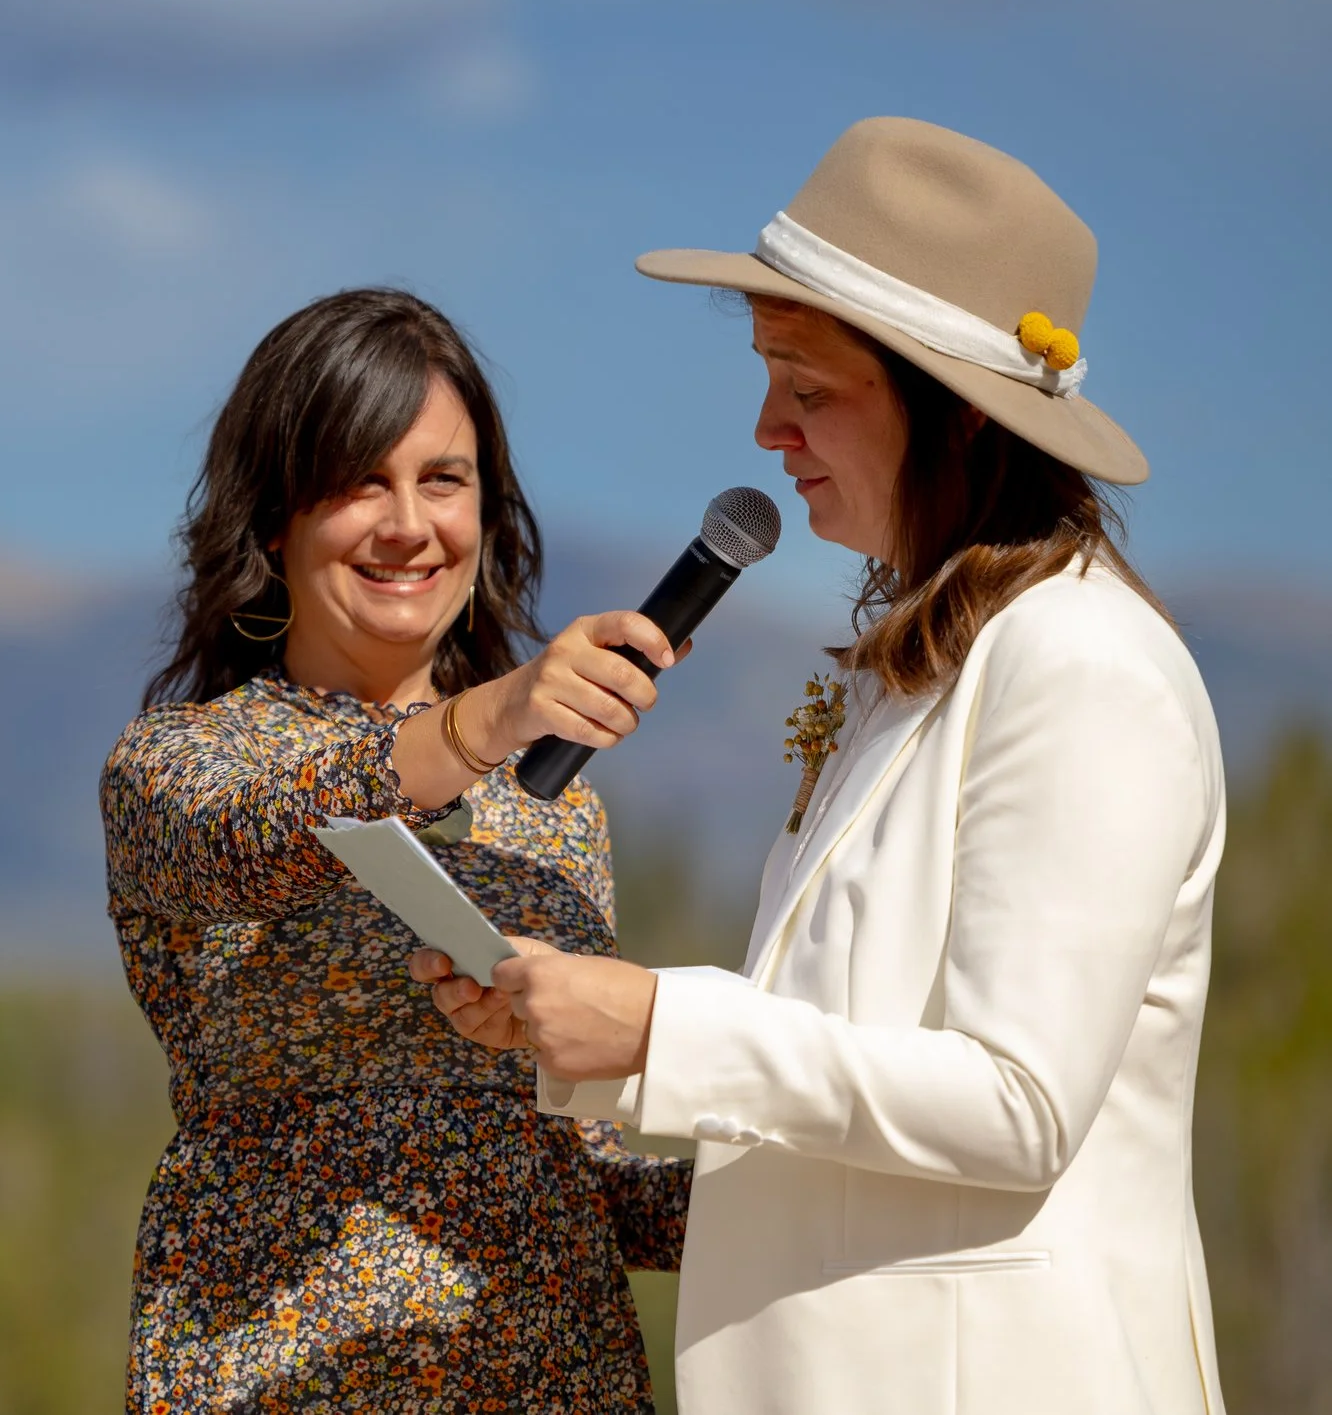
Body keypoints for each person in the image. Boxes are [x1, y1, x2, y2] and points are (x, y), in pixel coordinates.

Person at [414, 117, 1224, 1414]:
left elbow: (1019, 1101)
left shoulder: (1081, 660)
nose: (766, 431)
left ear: (960, 414)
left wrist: (661, 1023)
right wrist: (591, 1036)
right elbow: (853, 1058)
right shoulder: (923, 663)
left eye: (808, 388)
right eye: (767, 379)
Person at [101, 288, 693, 1413]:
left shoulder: (559, 809)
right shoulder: (180, 764)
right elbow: (253, 842)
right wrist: (489, 716)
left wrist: (817, 1142)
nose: (408, 524)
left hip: (549, 1371)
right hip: (282, 1371)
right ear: (271, 519)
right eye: (359, 481)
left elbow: (584, 1160)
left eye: (443, 479)